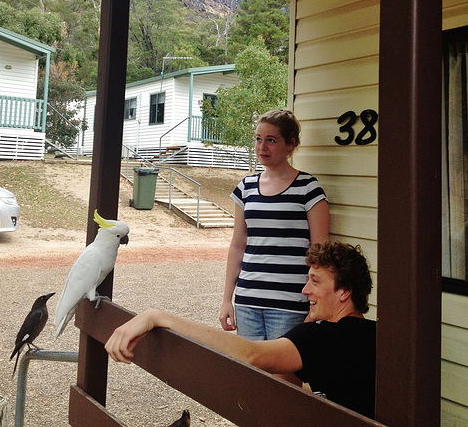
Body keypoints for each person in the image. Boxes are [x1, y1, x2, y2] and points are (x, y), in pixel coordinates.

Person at [105, 241, 376, 419]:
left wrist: (158, 316)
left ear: (344, 292)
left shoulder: (321, 337)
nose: (305, 290)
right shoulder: (374, 334)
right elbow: (287, 380)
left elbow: (250, 355)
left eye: (315, 282)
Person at [219, 109, 330, 341]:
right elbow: (238, 245)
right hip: (247, 301)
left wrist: (316, 303)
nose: (262, 147)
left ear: (290, 144)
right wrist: (226, 299)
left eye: (271, 140)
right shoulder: (245, 187)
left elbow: (320, 251)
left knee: (282, 376)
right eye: (258, 139)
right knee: (250, 374)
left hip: (290, 304)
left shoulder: (308, 188)